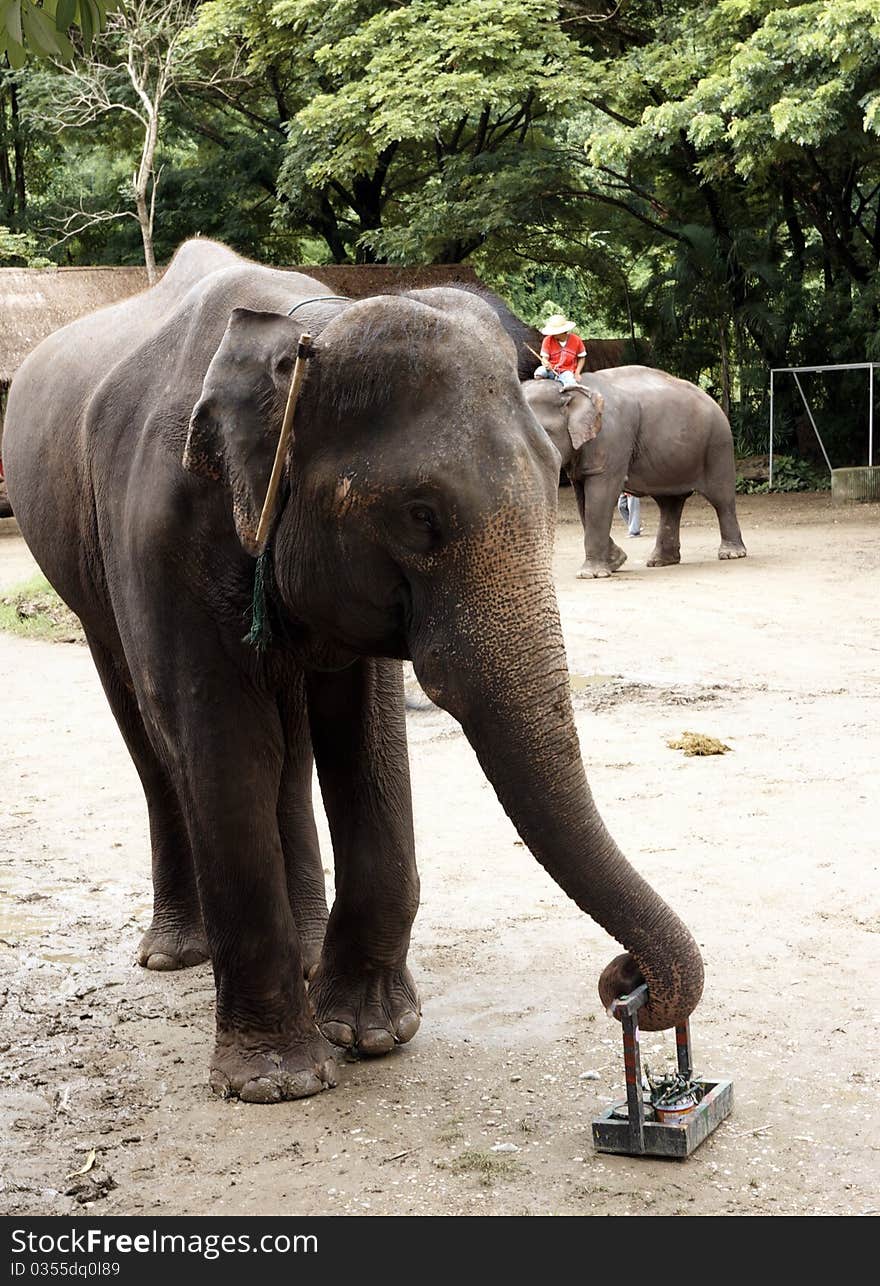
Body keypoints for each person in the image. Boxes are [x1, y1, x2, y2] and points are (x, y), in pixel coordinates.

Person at [534, 314, 586, 388]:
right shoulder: (547, 340)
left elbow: (582, 357)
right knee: (539, 372)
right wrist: (546, 363)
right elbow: (544, 358)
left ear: (563, 331)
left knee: (571, 385)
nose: (552, 334)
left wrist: (577, 373)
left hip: (567, 371)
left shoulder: (576, 340)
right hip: (551, 369)